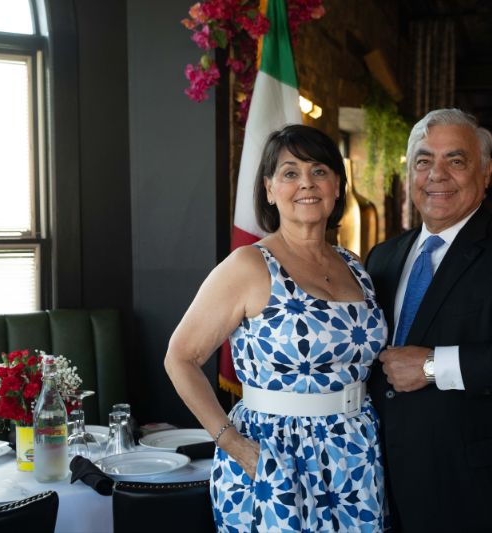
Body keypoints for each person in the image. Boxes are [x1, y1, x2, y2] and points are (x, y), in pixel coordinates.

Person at [165, 125, 387, 532]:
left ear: (337, 185)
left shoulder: (355, 265)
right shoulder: (249, 265)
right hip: (275, 456)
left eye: (319, 171)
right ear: (269, 189)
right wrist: (231, 443)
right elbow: (180, 358)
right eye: (290, 172)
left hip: (354, 454)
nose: (307, 183)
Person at [365, 108, 492, 532]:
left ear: (486, 172)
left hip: (481, 492)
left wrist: (430, 366)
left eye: (455, 160)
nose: (436, 175)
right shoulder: (382, 257)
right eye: (424, 161)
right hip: (385, 485)